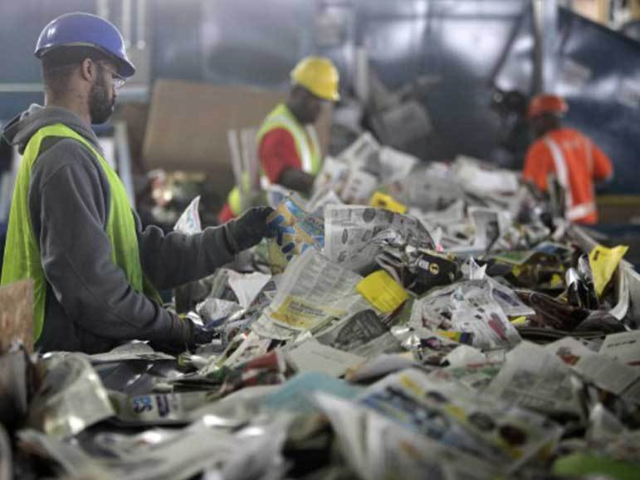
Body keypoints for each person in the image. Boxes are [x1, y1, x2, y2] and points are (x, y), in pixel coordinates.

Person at [0, 13, 273, 354]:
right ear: (88, 70)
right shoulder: (65, 158)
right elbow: (94, 293)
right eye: (114, 77)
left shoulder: (70, 149)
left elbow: (139, 255)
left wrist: (230, 238)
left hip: (66, 351)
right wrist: (173, 328)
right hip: (60, 364)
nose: (115, 91)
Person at [219, 56, 340, 222]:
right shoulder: (279, 131)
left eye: (324, 102)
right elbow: (285, 177)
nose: (320, 108)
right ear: (296, 92)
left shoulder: (304, 128)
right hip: (239, 224)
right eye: (316, 99)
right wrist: (325, 185)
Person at [523, 93, 613, 225]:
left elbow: (532, 190)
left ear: (544, 118)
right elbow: (605, 173)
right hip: (590, 222)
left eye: (535, 119)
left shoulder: (541, 148)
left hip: (565, 229)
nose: (533, 126)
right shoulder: (582, 140)